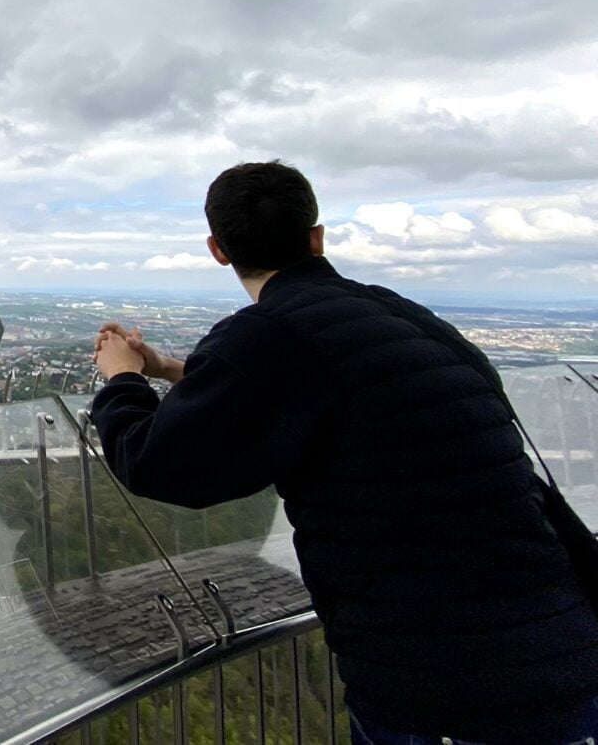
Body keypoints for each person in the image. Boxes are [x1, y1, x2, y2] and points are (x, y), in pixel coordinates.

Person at [89, 160, 598, 745]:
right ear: (316, 237)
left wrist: (123, 378)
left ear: (218, 250)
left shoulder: (267, 331)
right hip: (567, 639)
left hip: (445, 683)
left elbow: (155, 462)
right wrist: (170, 369)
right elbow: (316, 393)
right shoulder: (402, 315)